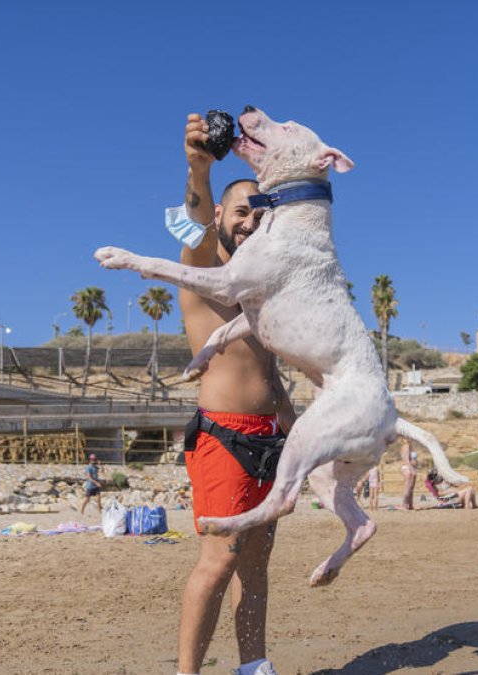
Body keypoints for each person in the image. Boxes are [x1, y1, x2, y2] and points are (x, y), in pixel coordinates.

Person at [172, 112, 296, 675]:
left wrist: (298, 432)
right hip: (223, 438)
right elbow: (193, 226)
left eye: (261, 212)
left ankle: (255, 667)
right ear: (222, 214)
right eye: (242, 210)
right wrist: (198, 170)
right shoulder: (201, 273)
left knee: (257, 565)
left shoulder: (264, 291)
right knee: (217, 562)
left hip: (270, 439)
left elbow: (271, 377)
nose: (251, 221)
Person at [399, 438, 417, 510]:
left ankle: (410, 505)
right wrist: (411, 468)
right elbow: (406, 459)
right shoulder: (406, 446)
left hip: (412, 467)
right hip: (408, 468)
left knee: (411, 488)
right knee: (407, 487)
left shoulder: (410, 446)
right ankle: (405, 505)